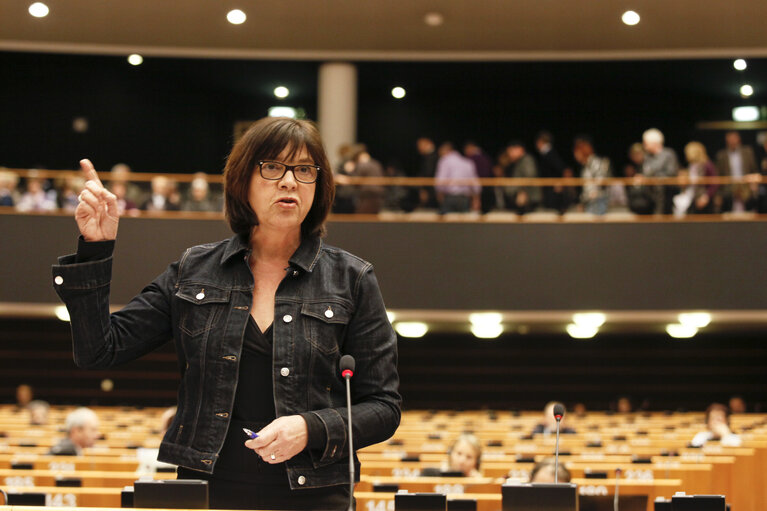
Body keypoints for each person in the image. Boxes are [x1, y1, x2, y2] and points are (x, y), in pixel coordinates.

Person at [52, 116, 401, 510]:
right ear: (242, 182)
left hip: (315, 494)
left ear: (318, 185)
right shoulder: (194, 270)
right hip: (209, 491)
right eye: (272, 167)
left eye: (304, 170)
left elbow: (384, 407)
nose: (290, 181)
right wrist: (96, 250)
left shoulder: (352, 279)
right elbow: (99, 350)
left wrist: (310, 427)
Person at [714, 131, 759, 213]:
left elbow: (754, 169)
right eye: (730, 139)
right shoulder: (721, 155)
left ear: (738, 139)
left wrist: (753, 183)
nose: (732, 141)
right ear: (726, 140)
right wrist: (718, 194)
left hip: (746, 185)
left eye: (734, 138)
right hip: (729, 186)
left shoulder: (747, 152)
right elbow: (719, 175)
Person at [673, 141, 718, 217]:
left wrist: (706, 197)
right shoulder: (692, 165)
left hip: (704, 198)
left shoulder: (707, 165)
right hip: (692, 197)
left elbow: (714, 183)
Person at [434, 142, 480, 214]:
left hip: (449, 197)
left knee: (445, 224)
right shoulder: (467, 162)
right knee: (464, 223)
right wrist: (476, 198)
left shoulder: (445, 160)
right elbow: (475, 182)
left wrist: (439, 193)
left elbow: (440, 181)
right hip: (464, 198)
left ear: (446, 150)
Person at [641, 128, 679, 215]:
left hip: (665, 195)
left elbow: (671, 173)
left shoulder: (669, 155)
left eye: (646, 143)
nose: (644, 146)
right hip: (649, 195)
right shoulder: (647, 157)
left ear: (655, 143)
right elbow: (646, 171)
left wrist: (654, 177)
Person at [573, 135, 611, 216]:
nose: (575, 154)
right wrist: (583, 201)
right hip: (589, 202)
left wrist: (593, 194)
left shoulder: (596, 163)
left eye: (577, 151)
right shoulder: (585, 166)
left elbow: (601, 182)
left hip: (597, 202)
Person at [504, 141, 541, 215]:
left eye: (511, 151)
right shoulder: (519, 161)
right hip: (522, 198)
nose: (509, 154)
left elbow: (530, 176)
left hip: (528, 198)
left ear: (519, 149)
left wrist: (523, 192)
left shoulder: (527, 160)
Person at [463, 141, 496, 213]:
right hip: (487, 186)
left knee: (479, 209)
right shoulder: (486, 157)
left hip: (480, 186)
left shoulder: (472, 159)